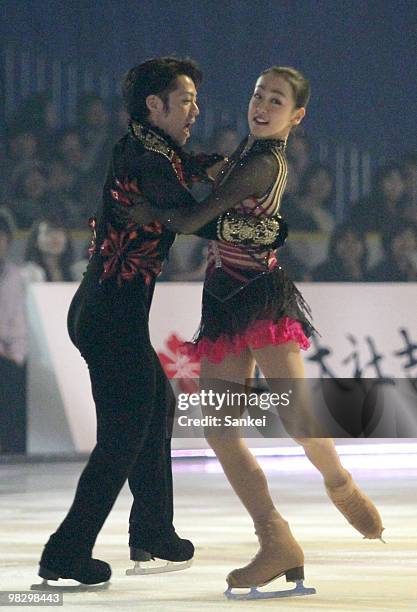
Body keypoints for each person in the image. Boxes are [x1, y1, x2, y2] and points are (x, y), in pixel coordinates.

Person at [122, 66, 384, 598]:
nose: (262, 105)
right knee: (219, 429)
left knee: (297, 418)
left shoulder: (263, 161)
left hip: (261, 299)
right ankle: (275, 538)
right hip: (222, 301)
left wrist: (146, 209)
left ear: (297, 116)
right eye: (259, 95)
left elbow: (197, 219)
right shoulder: (245, 151)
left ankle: (340, 484)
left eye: (277, 100)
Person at [35, 56, 286, 589]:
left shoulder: (149, 148)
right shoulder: (148, 157)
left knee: (158, 403)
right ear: (155, 105)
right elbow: (192, 219)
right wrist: (268, 231)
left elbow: (176, 172)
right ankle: (67, 550)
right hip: (111, 315)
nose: (196, 109)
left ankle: (154, 531)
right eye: (186, 100)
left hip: (107, 307)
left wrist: (204, 166)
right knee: (121, 438)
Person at [0, 215, 27, 454]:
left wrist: (17, 354)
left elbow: (17, 317)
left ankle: (12, 450)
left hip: (7, 354)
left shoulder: (14, 275)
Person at [22, 217, 77, 283]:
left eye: (60, 232)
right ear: (35, 241)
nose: (55, 237)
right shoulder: (28, 273)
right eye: (48, 232)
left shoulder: (77, 272)